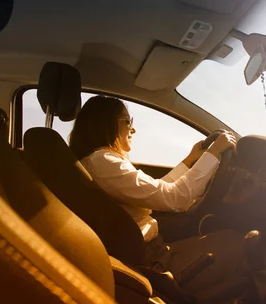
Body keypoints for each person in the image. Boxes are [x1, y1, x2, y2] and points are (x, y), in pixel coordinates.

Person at [69, 95, 253, 296]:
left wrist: (191, 160)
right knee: (246, 244)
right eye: (127, 121)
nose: (133, 129)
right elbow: (177, 198)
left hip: (152, 252)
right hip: (153, 262)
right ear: (106, 124)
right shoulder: (104, 162)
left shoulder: (100, 162)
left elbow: (158, 190)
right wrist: (214, 152)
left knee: (231, 238)